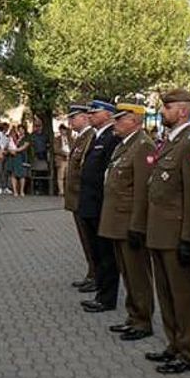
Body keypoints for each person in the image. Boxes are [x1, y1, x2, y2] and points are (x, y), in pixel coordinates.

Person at [142, 89, 190, 374]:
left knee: (183, 296)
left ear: (182, 111)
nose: (163, 111)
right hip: (159, 232)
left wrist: (189, 238)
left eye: (167, 107)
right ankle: (174, 344)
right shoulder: (169, 141)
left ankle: (188, 352)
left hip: (177, 233)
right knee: (166, 293)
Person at [99, 103, 154, 340]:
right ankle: (133, 317)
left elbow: (142, 190)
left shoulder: (143, 146)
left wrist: (137, 225)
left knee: (137, 275)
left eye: (121, 119)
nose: (116, 123)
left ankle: (142, 321)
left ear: (134, 120)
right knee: (128, 274)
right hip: (117, 221)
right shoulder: (125, 145)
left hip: (129, 222)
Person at [77, 99, 122, 314]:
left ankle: (106, 297)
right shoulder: (97, 137)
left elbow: (107, 175)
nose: (91, 115)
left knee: (106, 255)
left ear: (108, 114)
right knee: (97, 252)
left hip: (100, 205)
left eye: (95, 112)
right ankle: (100, 292)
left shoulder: (111, 138)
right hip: (89, 203)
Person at [63, 104, 96, 292]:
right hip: (77, 198)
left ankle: (95, 274)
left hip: (83, 198)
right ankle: (91, 273)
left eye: (73, 117)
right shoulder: (81, 137)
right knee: (85, 240)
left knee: (90, 241)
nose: (70, 122)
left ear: (84, 117)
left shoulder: (90, 136)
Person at [6, 124, 30, 197]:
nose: (20, 130)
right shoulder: (15, 136)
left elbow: (25, 146)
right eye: (19, 129)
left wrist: (15, 150)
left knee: (22, 175)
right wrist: (10, 150)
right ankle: (15, 191)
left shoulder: (27, 137)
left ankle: (22, 191)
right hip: (14, 157)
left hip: (22, 157)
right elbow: (9, 145)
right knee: (14, 174)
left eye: (22, 129)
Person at [53, 123, 70, 196]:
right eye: (62, 130)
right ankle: (61, 191)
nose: (63, 131)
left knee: (68, 176)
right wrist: (65, 153)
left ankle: (68, 191)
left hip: (69, 159)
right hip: (61, 159)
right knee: (60, 176)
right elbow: (56, 149)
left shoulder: (70, 139)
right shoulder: (57, 139)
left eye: (64, 130)